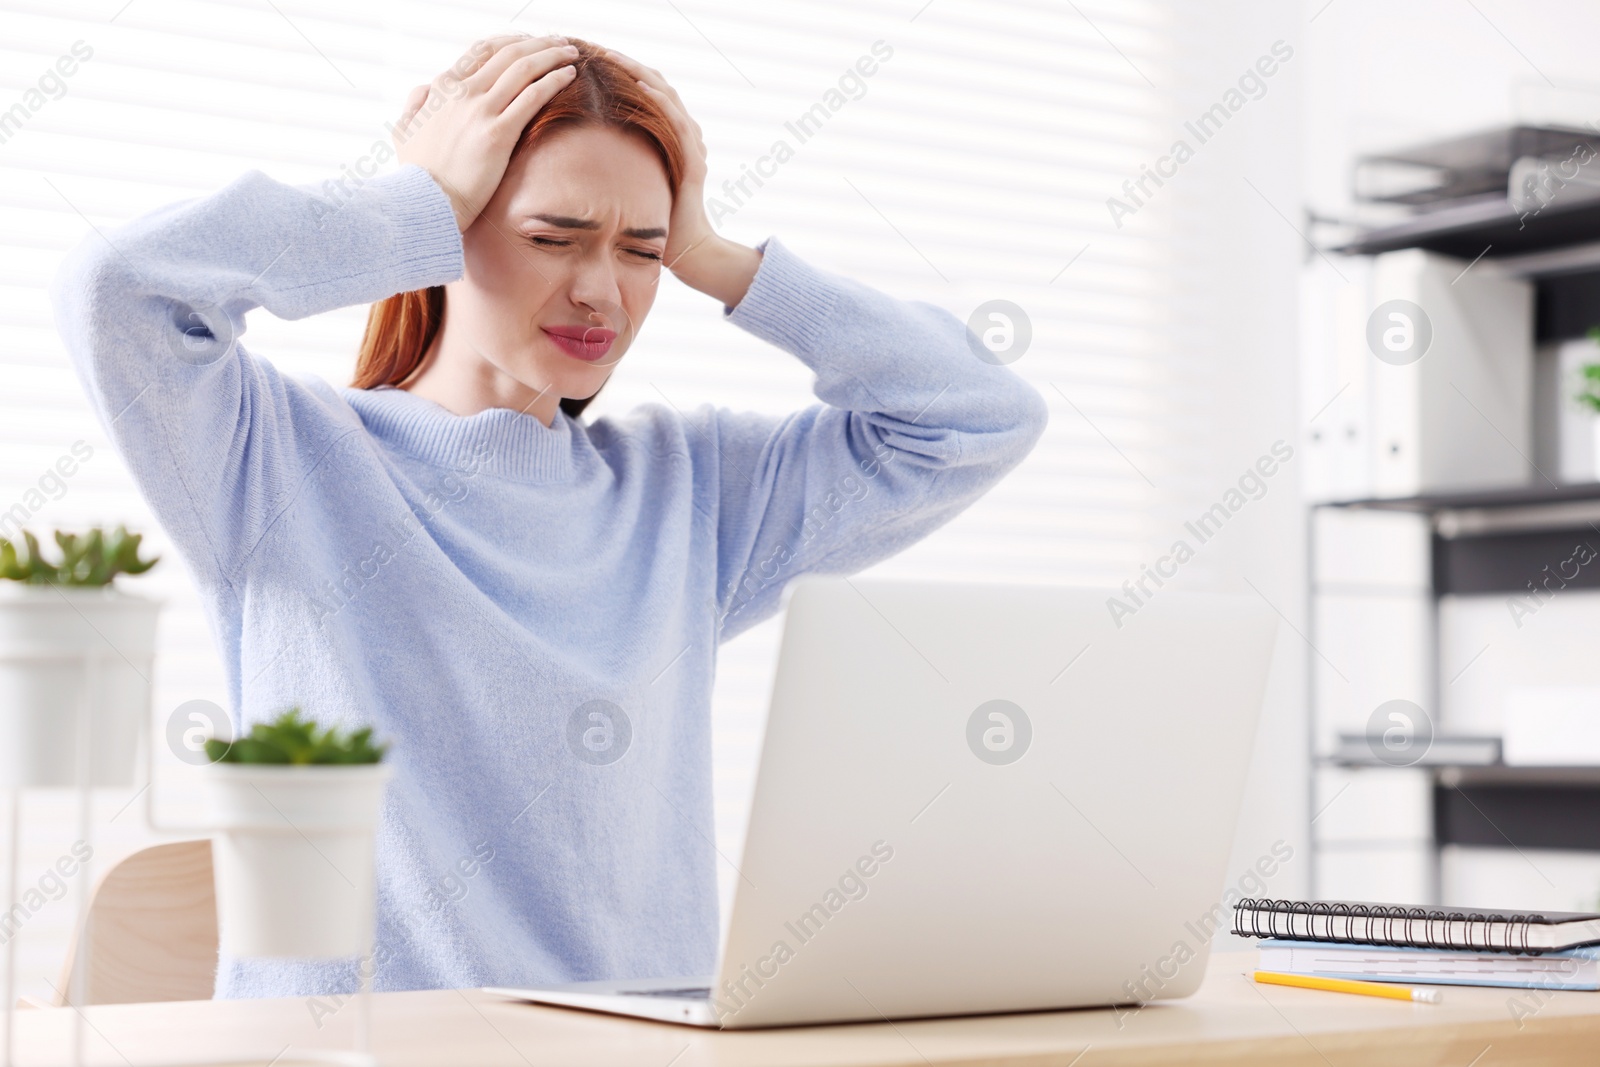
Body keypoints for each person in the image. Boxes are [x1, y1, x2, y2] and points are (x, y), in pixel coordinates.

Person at [50, 33, 1049, 997]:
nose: (599, 292)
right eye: (551, 237)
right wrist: (415, 201)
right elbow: (121, 288)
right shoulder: (275, 457)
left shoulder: (688, 491)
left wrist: (712, 255)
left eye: (639, 251)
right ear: (449, 234)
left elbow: (975, 417)